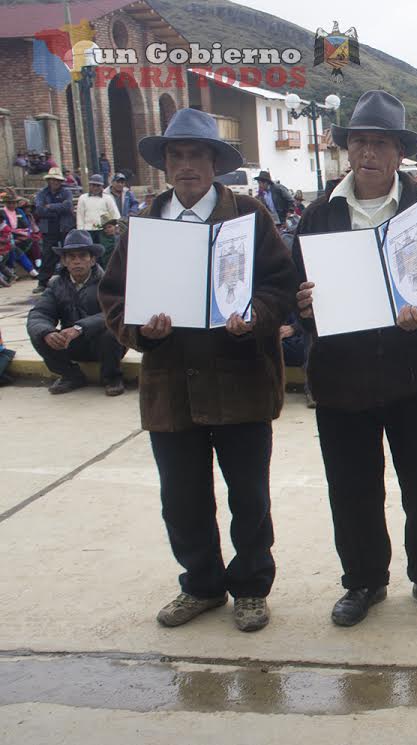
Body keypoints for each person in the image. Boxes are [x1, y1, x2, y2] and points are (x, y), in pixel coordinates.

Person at [99, 107, 297, 633]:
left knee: (249, 497)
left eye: (197, 155)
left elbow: (281, 284)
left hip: (241, 381)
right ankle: (201, 584)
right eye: (177, 155)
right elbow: (115, 297)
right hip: (171, 387)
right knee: (182, 498)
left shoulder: (249, 215)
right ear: (165, 164)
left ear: (215, 162)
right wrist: (142, 331)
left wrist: (254, 316)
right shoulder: (143, 223)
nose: (187, 165)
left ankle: (251, 587)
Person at [292, 91, 417, 628]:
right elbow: (293, 287)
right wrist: (303, 306)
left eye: (381, 142)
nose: (369, 151)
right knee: (352, 487)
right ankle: (363, 581)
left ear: (400, 153)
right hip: (340, 380)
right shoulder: (319, 216)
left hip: (415, 375)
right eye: (359, 141)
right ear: (347, 149)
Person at [27, 229, 126, 396]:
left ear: (93, 260)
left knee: (112, 331)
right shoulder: (56, 285)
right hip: (71, 345)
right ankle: (70, 376)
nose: (77, 262)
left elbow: (115, 312)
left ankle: (112, 377)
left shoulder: (108, 283)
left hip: (105, 345)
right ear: (64, 261)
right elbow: (39, 314)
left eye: (82, 256)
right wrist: (47, 332)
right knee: (39, 333)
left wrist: (80, 328)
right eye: (71, 257)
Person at [34, 167, 75, 293]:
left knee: (68, 253)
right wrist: (58, 209)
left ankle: (70, 279)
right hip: (49, 228)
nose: (55, 182)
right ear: (49, 180)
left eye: (57, 180)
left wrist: (50, 207)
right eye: (52, 180)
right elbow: (39, 210)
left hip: (64, 227)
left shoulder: (66, 192)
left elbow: (68, 207)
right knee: (47, 255)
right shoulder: (42, 193)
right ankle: (43, 282)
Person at [1, 189, 41, 283]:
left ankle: (32, 267)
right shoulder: (2, 213)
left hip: (21, 237)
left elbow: (25, 225)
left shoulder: (19, 211)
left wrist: (19, 233)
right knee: (13, 248)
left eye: (14, 203)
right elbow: (6, 228)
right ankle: (30, 270)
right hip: (6, 239)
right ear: (6, 203)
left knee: (31, 242)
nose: (12, 205)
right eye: (9, 203)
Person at [76, 174, 120, 246]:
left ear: (102, 187)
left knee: (105, 251)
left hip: (103, 230)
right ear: (89, 185)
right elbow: (80, 216)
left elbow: (115, 214)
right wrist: (81, 231)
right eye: (93, 185)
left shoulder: (107, 198)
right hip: (88, 230)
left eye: (98, 186)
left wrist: (116, 227)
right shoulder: (83, 198)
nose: (95, 188)